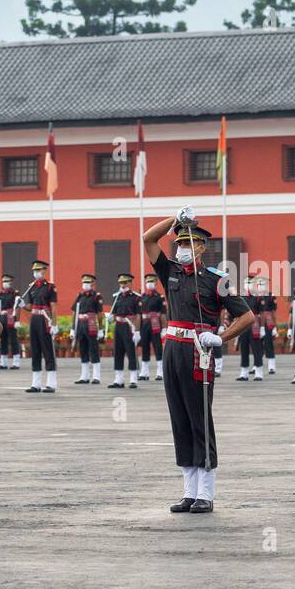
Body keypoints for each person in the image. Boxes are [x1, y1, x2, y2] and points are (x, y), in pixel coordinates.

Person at [142, 209, 254, 514]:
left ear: (201, 248)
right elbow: (148, 238)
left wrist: (222, 338)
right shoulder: (171, 272)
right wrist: (174, 219)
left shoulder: (215, 280)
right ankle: (189, 491)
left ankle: (206, 491)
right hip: (172, 350)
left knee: (199, 418)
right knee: (179, 419)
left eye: (188, 244)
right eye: (179, 243)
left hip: (198, 352)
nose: (181, 248)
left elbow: (246, 315)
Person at [23, 260, 58, 392]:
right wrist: (22, 305)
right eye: (34, 271)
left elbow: (54, 306)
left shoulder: (50, 287)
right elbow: (30, 306)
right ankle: (36, 384)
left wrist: (54, 323)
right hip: (34, 319)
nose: (36, 273)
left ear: (44, 271)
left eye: (38, 270)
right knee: (35, 349)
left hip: (45, 319)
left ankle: (51, 383)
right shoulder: (31, 287)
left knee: (47, 350)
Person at [108, 273, 142, 389]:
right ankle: (119, 379)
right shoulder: (116, 297)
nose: (123, 285)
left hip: (129, 327)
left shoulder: (136, 297)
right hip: (118, 326)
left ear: (130, 283)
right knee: (118, 352)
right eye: (121, 283)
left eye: (125, 282)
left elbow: (138, 316)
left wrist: (137, 331)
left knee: (131, 351)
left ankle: (133, 379)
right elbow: (114, 313)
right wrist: (111, 317)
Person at [72, 273, 104, 385]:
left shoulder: (96, 296)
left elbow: (100, 313)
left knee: (93, 349)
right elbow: (75, 313)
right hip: (81, 324)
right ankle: (84, 376)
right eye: (84, 282)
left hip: (91, 324)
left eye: (88, 282)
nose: (85, 284)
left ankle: (96, 376)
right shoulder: (80, 296)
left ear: (93, 284)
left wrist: (101, 329)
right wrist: (73, 329)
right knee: (83, 349)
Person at [138, 273, 167, 381]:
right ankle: (144, 373)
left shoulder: (160, 297)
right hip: (145, 325)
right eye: (148, 282)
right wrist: (137, 329)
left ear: (155, 283)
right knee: (145, 347)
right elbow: (139, 314)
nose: (149, 284)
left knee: (157, 348)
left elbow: (163, 314)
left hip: (156, 325)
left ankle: (160, 372)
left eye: (151, 282)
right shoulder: (143, 297)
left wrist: (164, 328)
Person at [0, 274, 22, 370]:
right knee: (3, 339)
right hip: (2, 318)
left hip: (11, 317)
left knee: (13, 339)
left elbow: (17, 307)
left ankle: (16, 362)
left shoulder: (15, 293)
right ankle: (3, 362)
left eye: (7, 281)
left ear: (11, 282)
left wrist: (17, 320)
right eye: (3, 282)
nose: (5, 283)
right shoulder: (0, 294)